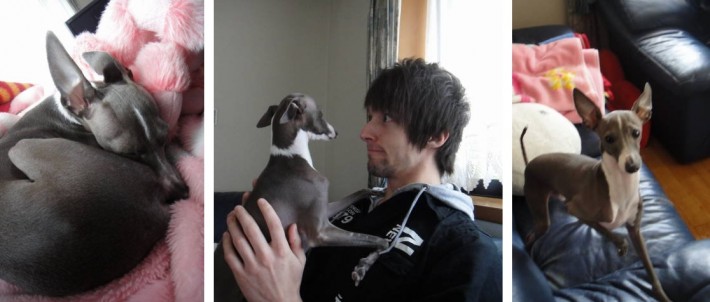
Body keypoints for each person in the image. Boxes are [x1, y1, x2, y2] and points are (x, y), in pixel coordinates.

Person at [222, 58, 502, 301]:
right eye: (370, 116)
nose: (365, 131)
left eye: (387, 117)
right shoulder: (350, 210)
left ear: (436, 136)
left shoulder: (467, 251)